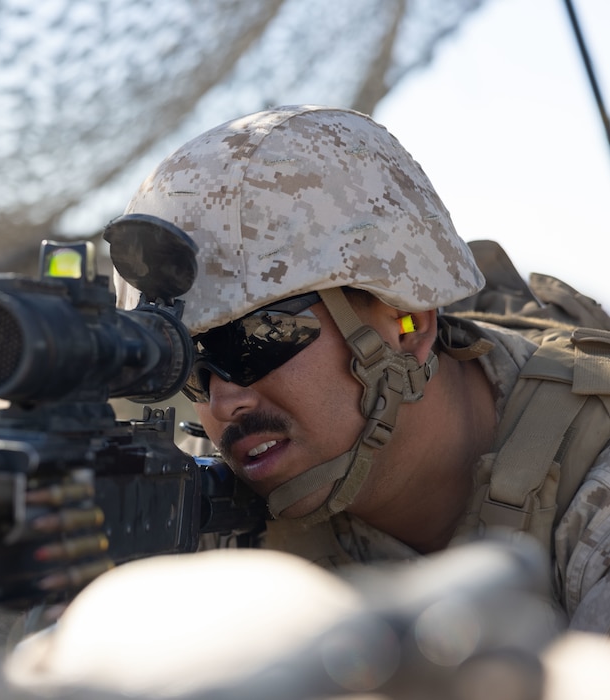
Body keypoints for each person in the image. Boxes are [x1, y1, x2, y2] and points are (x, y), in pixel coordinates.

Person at [108, 104, 610, 631]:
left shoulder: (592, 501)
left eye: (257, 340)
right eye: (190, 367)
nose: (221, 402)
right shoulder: (190, 500)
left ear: (406, 323)